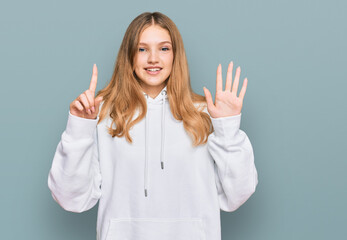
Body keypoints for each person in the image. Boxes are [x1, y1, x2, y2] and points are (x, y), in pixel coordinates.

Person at [47, 11, 258, 240]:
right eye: (142, 49)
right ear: (129, 55)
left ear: (176, 55)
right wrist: (80, 127)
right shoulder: (104, 114)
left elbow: (237, 195)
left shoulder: (205, 114)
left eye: (164, 48)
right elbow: (70, 198)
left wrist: (227, 127)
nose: (153, 59)